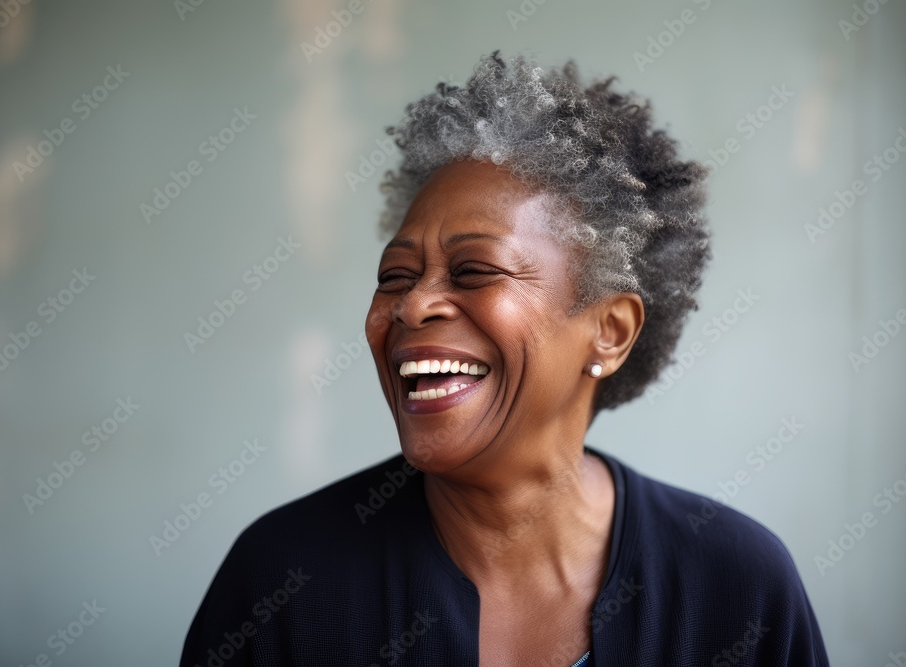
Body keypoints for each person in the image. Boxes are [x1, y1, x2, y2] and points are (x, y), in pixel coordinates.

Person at [180, 51, 828, 666]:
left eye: (473, 270)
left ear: (610, 329)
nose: (412, 307)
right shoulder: (282, 581)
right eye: (397, 275)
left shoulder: (736, 587)